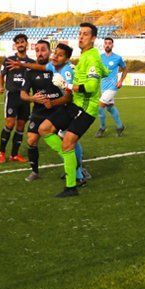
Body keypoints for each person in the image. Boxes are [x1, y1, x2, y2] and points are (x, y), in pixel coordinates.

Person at [37, 23, 108, 197]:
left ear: (93, 38)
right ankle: (71, 161)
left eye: (85, 34)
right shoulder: (87, 56)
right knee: (44, 129)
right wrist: (100, 71)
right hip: (75, 105)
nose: (81, 37)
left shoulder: (92, 58)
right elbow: (104, 71)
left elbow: (91, 86)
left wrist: (66, 85)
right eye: (80, 33)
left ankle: (71, 187)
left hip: (85, 109)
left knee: (67, 143)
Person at [13, 42, 88, 183]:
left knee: (68, 139)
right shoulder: (31, 71)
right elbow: (23, 94)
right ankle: (35, 171)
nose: (40, 53)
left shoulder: (58, 68)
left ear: (49, 51)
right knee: (31, 140)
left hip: (59, 109)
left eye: (43, 50)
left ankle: (77, 169)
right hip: (39, 111)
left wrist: (52, 102)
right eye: (37, 50)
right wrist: (32, 98)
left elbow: (69, 95)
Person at [0, 33, 33, 163]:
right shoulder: (8, 60)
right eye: (18, 42)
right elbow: (1, 75)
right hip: (12, 96)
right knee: (10, 124)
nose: (20, 44)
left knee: (21, 126)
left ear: (26, 44)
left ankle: (14, 154)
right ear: (15, 45)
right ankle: (1, 152)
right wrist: (0, 86)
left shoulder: (31, 63)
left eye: (22, 42)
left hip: (25, 98)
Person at [96, 37, 127, 137]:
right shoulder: (100, 57)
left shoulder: (117, 58)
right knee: (110, 108)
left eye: (109, 43)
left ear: (112, 45)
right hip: (103, 86)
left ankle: (102, 128)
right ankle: (120, 126)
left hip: (113, 86)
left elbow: (125, 69)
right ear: (104, 45)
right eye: (106, 43)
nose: (107, 45)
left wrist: (121, 81)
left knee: (100, 107)